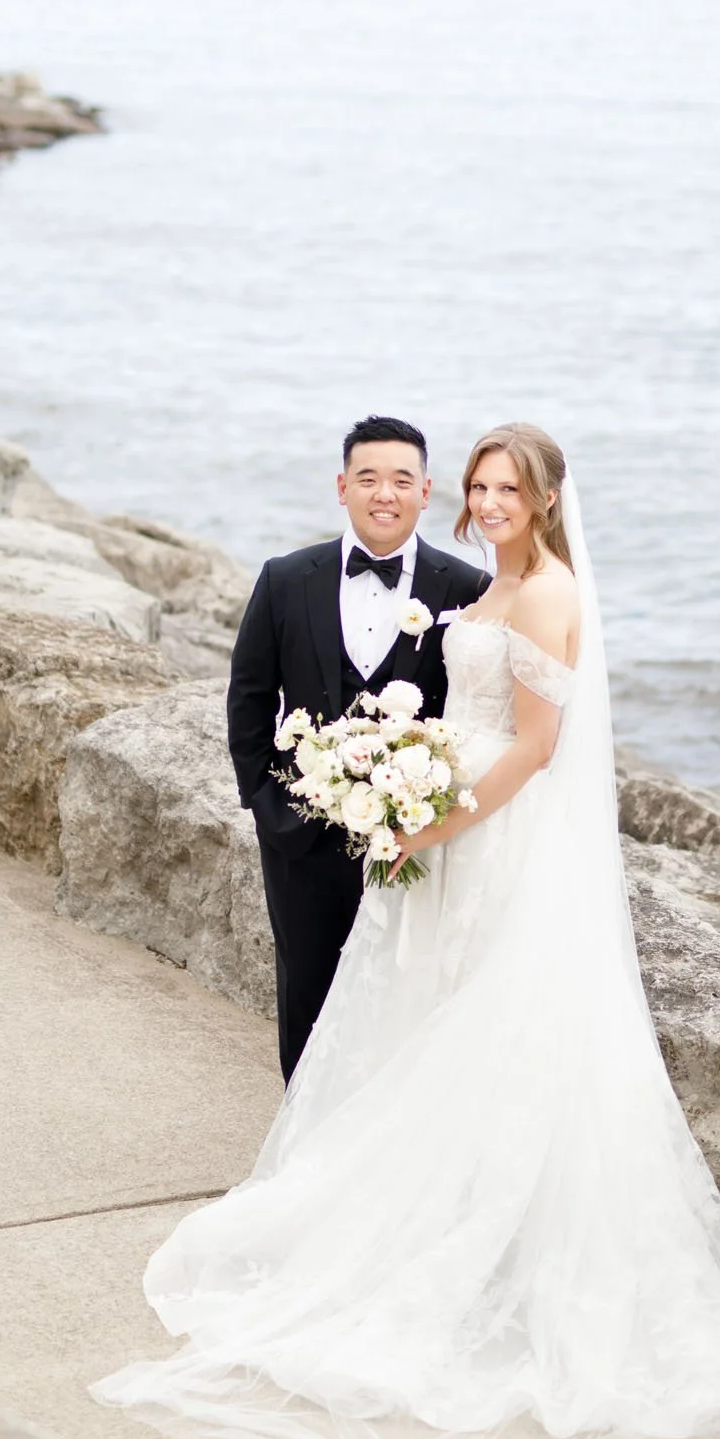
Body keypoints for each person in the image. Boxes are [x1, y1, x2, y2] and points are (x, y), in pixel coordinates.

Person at [93, 423, 720, 1439]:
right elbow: (276, 706)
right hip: (418, 832)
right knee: (400, 1017)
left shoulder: (542, 590)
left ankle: (476, 1241)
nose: (488, 500)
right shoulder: (452, 588)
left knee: (493, 1023)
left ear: (544, 497)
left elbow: (539, 745)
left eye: (503, 486)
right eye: (478, 485)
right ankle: (370, 1200)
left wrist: (428, 823)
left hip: (483, 840)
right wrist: (358, 802)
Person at [225, 413, 490, 1082]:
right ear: (341, 486)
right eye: (367, 478)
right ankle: (300, 1148)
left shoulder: (464, 589)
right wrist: (265, 803)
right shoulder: (286, 578)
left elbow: (474, 710)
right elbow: (249, 698)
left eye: (401, 480)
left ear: (427, 492)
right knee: (307, 994)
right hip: (300, 835)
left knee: (404, 997)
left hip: (414, 840)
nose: (384, 493)